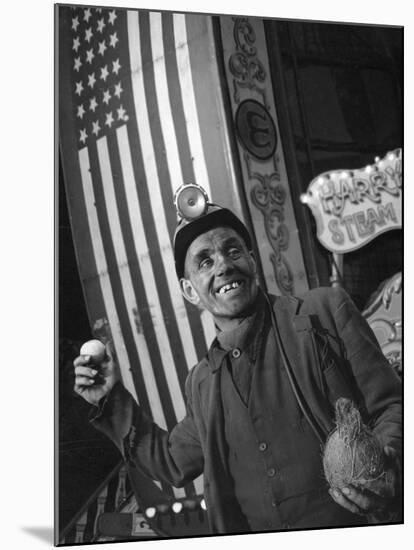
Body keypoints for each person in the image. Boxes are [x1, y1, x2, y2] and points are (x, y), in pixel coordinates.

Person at [74, 189, 402, 534]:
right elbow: (172, 462)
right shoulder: (201, 382)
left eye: (233, 251)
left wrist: (389, 463)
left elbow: (391, 405)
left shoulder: (325, 311)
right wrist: (110, 398)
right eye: (205, 261)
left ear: (251, 260)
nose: (224, 265)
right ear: (189, 291)